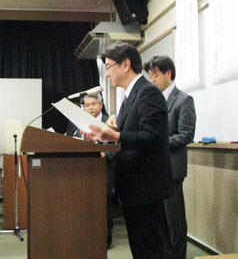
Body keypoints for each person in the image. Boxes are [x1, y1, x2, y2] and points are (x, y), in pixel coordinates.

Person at [85, 43, 173, 259]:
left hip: (146, 187)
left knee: (150, 249)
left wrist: (115, 136)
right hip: (134, 187)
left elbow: (152, 136)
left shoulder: (148, 92)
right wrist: (112, 130)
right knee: (141, 248)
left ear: (125, 64)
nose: (106, 74)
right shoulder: (131, 95)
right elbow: (133, 132)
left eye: (108, 67)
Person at [144, 56, 196, 259]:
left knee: (174, 219)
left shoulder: (183, 99)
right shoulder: (153, 100)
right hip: (154, 168)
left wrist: (156, 141)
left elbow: (185, 135)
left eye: (155, 75)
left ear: (168, 73)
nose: (152, 80)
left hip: (172, 168)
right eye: (150, 76)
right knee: (159, 218)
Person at [82, 94, 115, 248]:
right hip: (84, 169)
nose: (89, 108)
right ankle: (88, 236)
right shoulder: (79, 122)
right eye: (86, 105)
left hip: (105, 168)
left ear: (100, 105)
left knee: (104, 204)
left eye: (93, 104)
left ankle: (106, 239)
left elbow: (117, 144)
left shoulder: (110, 121)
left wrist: (106, 153)